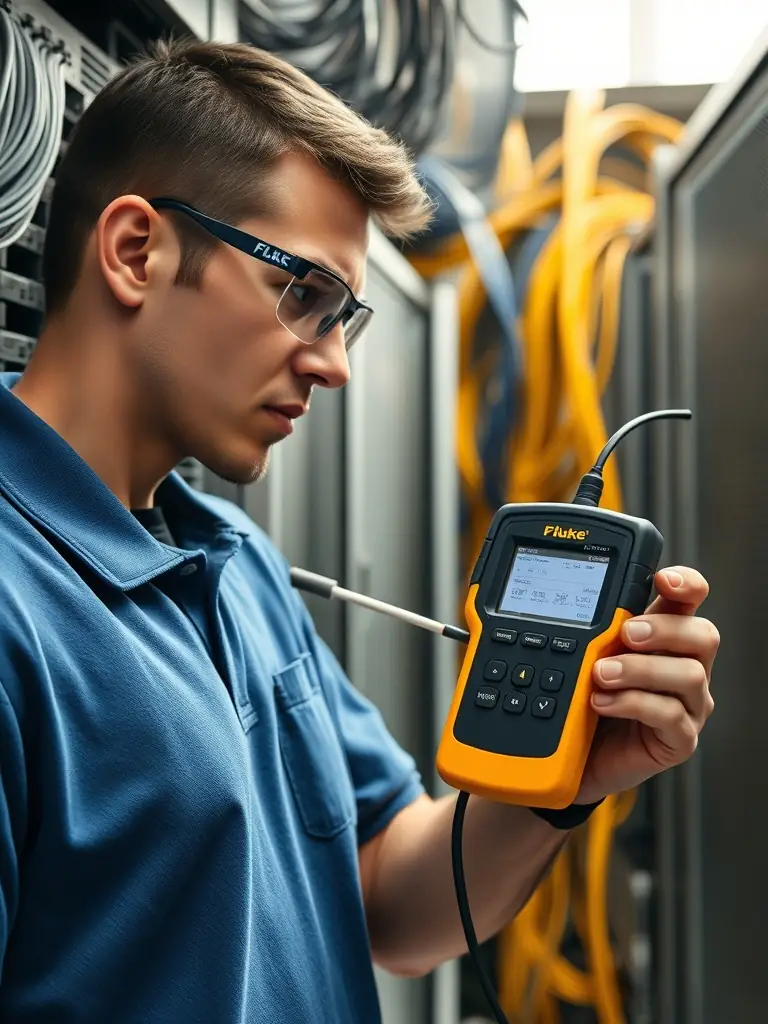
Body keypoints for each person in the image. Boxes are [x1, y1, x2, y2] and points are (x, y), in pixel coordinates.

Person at [0, 38, 718, 1024]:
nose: (335, 365)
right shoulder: (15, 606)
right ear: (136, 251)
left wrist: (561, 784)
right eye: (305, 295)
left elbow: (387, 894)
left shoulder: (233, 558)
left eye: (346, 315)